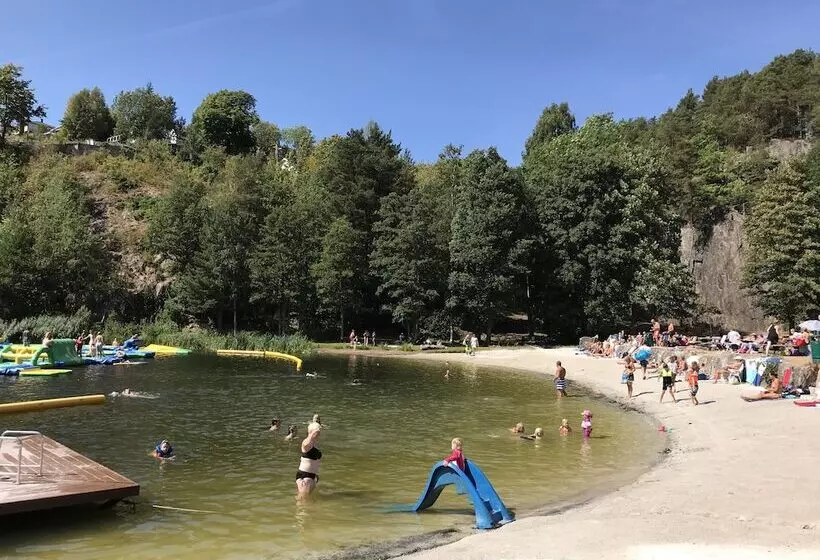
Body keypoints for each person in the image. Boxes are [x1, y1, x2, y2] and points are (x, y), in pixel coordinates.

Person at [296, 422, 322, 495]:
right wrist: (313, 432)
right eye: (317, 433)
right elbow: (304, 445)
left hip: (310, 476)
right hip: (305, 477)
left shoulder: (313, 444)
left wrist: (315, 475)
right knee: (303, 501)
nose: (318, 434)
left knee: (307, 501)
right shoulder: (306, 442)